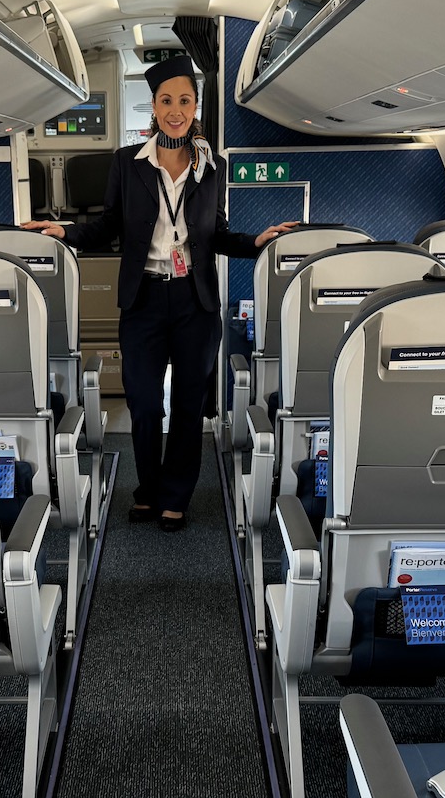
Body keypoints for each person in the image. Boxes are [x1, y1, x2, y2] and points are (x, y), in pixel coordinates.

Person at [24, 56, 296, 531]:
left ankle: (175, 496)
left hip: (195, 301)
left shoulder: (213, 167)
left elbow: (218, 233)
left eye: (185, 101)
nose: (176, 110)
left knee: (189, 406)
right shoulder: (127, 165)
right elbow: (108, 225)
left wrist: (255, 242)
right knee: (146, 404)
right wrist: (65, 231)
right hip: (144, 299)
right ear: (153, 106)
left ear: (195, 108)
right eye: (167, 100)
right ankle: (147, 487)